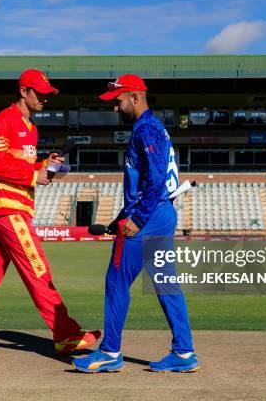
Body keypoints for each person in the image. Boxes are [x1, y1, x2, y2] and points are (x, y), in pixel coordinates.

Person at [0, 69, 100, 355]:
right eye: (39, 93)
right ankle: (65, 333)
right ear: (23, 91)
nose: (44, 99)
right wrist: (33, 176)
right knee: (37, 267)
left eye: (47, 94)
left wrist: (45, 165)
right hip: (7, 207)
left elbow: (21, 165)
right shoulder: (3, 121)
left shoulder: (31, 127)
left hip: (16, 206)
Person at [73, 74, 198, 373]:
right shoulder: (154, 128)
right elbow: (149, 182)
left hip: (150, 216)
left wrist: (138, 219)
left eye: (118, 101)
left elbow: (155, 180)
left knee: (116, 280)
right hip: (160, 212)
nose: (115, 108)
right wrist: (121, 218)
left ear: (135, 97)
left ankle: (109, 352)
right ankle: (184, 353)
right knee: (166, 284)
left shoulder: (145, 129)